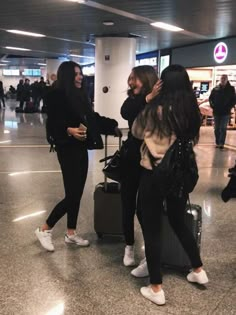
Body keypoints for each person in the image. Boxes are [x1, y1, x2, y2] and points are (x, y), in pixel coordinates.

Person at [132, 65, 208, 306]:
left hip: (154, 174)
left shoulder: (157, 110)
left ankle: (156, 287)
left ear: (161, 85)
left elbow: (135, 131)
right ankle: (197, 269)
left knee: (152, 227)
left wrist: (150, 100)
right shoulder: (191, 110)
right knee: (177, 219)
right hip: (180, 174)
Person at [35, 61, 121, 252]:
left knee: (76, 193)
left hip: (80, 148)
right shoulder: (56, 96)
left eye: (80, 73)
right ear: (67, 76)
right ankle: (45, 228)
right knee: (73, 194)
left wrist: (112, 126)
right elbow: (52, 124)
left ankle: (71, 233)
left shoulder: (79, 96)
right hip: (67, 150)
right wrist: (68, 130)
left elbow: (91, 118)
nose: (80, 76)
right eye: (76, 74)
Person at [120, 66, 162, 267]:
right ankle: (128, 246)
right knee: (127, 204)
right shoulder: (134, 100)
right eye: (130, 78)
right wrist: (146, 99)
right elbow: (125, 111)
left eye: (134, 79)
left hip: (151, 160)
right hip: (131, 158)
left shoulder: (160, 101)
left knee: (144, 208)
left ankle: (149, 251)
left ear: (145, 80)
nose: (130, 82)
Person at [209, 74, 235, 149]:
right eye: (222, 78)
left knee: (223, 128)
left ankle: (221, 143)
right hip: (216, 111)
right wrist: (212, 106)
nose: (223, 80)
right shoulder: (215, 89)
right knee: (216, 128)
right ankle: (217, 142)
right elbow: (211, 98)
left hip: (226, 112)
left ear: (227, 79)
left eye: (224, 78)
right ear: (220, 79)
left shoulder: (231, 89)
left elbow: (234, 99)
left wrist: (229, 107)